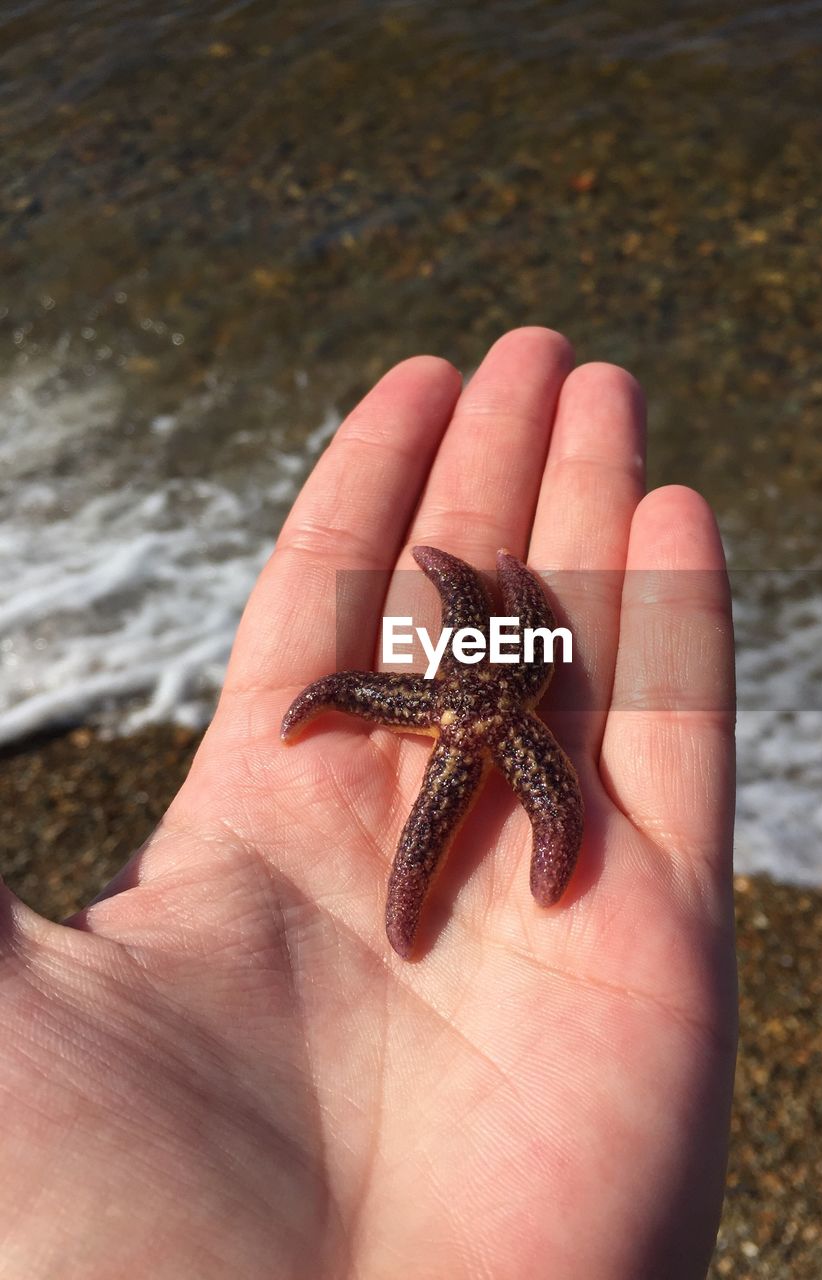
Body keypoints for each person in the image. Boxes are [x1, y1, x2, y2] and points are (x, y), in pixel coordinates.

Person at [0, 328, 737, 1278]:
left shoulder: (461, 706)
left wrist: (489, 603)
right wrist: (328, 688)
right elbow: (455, 659)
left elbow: (494, 657)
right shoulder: (492, 709)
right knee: (441, 823)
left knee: (449, 827)